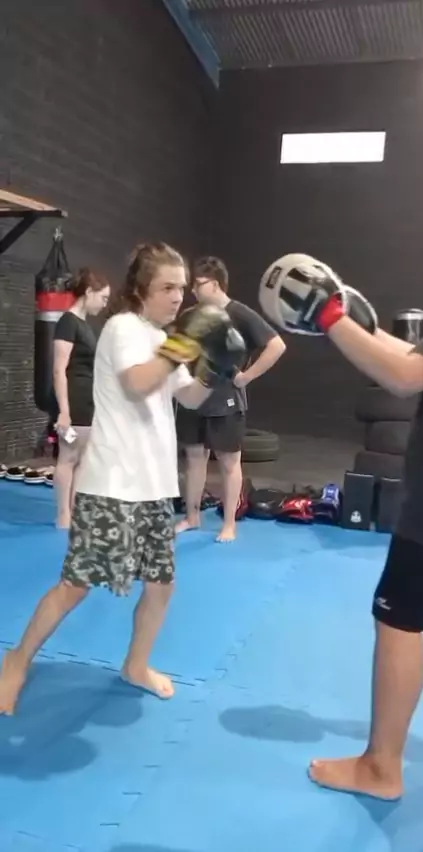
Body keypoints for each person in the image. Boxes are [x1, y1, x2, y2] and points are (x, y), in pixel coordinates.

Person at [260, 186, 423, 801]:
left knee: (399, 620)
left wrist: (330, 317)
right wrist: (366, 326)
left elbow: (404, 378)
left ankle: (382, 768)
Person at [0, 242, 246, 716]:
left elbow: (190, 398)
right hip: (113, 483)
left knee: (161, 585)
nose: (178, 297)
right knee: (76, 585)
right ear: (141, 289)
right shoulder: (123, 328)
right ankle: (16, 660)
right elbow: (137, 382)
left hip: (154, 486)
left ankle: (135, 665)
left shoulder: (161, 337)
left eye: (181, 287)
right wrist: (185, 344)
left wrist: (217, 369)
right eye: (167, 287)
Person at [175, 256, 286, 542]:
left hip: (225, 401)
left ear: (214, 284)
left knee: (228, 462)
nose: (193, 291)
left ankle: (229, 524)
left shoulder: (240, 314)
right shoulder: (191, 314)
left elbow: (276, 345)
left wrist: (247, 377)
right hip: (192, 396)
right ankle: (192, 516)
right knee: (194, 458)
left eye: (198, 284)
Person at [52, 268, 111, 528]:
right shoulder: (68, 322)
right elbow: (59, 369)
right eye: (103, 297)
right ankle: (63, 514)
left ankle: (75, 509)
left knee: (83, 459)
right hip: (74, 398)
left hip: (89, 399)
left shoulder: (85, 325)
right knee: (68, 457)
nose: (105, 303)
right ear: (88, 292)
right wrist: (64, 411)